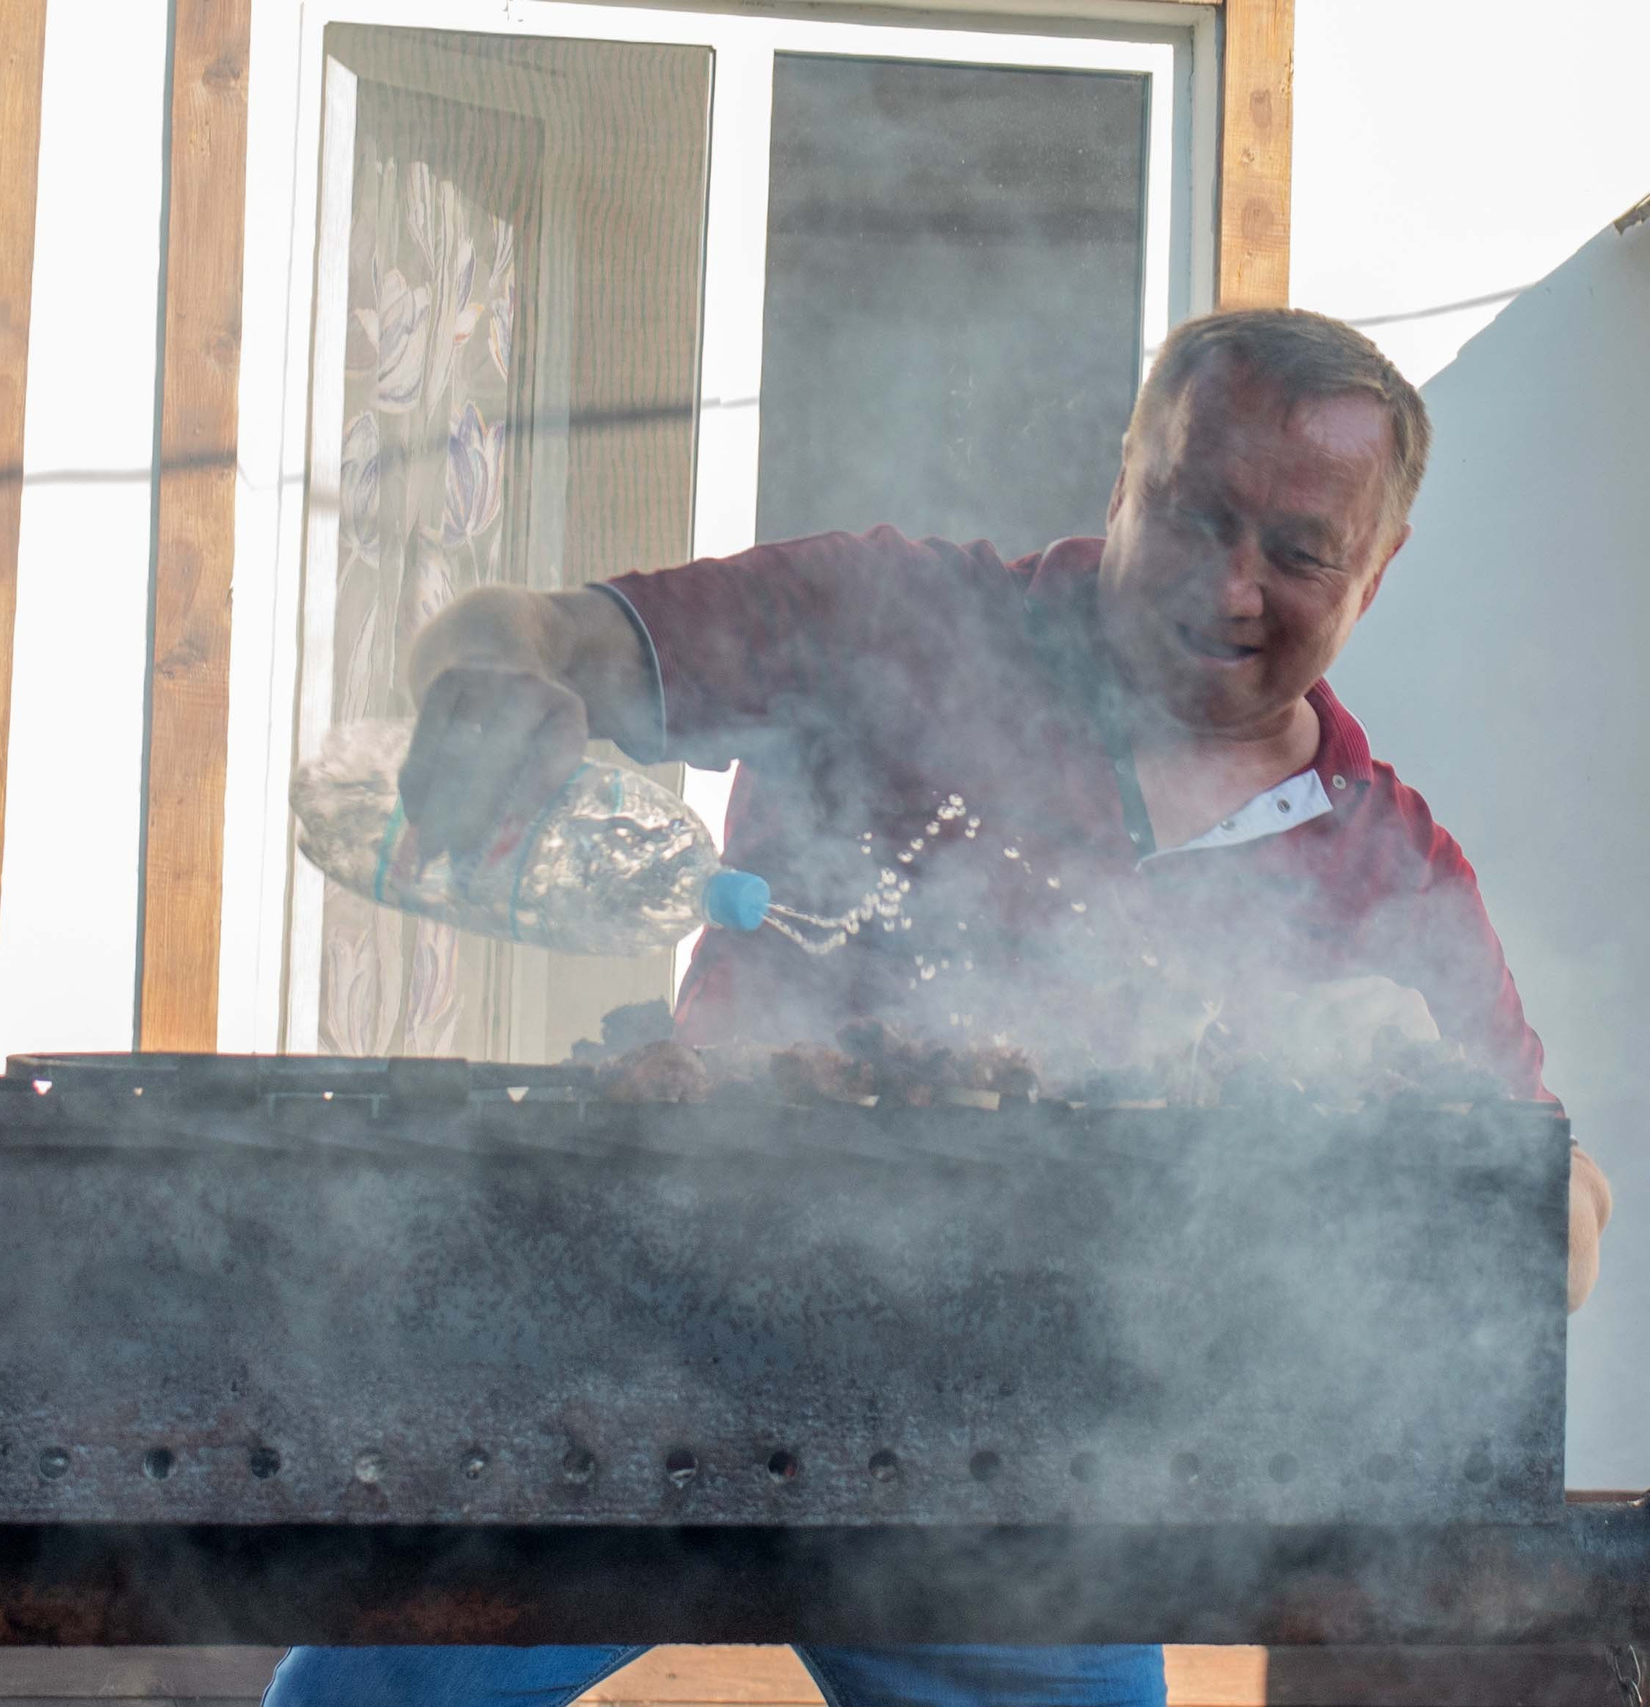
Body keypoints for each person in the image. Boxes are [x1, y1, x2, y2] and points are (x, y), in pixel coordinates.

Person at [261, 308, 1613, 1707]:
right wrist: (489, 681)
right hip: (664, 1359)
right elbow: (534, 630)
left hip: (1022, 1478)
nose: (1228, 587)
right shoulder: (898, 623)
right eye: (1195, 515)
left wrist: (1424, 1125)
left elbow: (1561, 1224)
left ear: (1378, 571)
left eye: (1300, 552)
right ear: (1125, 478)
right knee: (358, 1703)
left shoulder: (1387, 875)